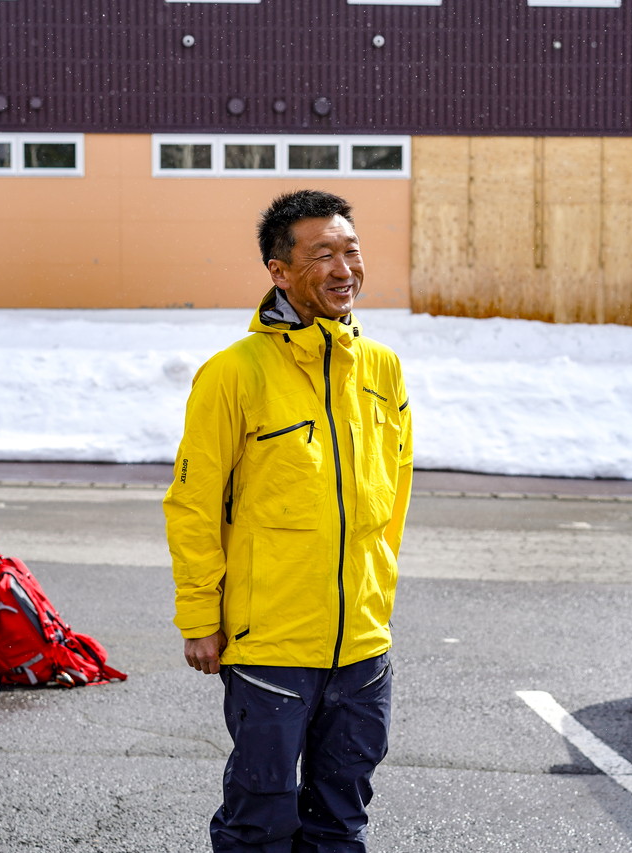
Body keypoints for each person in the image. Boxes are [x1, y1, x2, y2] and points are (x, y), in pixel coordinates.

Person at [163, 189, 414, 852]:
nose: (344, 269)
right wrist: (199, 616)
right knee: (259, 823)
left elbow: (394, 500)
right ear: (280, 271)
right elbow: (193, 503)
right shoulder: (233, 374)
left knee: (343, 819)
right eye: (322, 254)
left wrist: (377, 603)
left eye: (351, 251)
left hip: (361, 650)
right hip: (270, 649)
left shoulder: (383, 370)